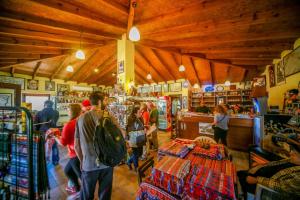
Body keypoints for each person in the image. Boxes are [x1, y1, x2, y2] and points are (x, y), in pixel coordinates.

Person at [75, 92, 117, 200]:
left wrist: (81, 161)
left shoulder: (80, 119)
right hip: (107, 162)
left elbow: (76, 146)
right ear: (99, 102)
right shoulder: (109, 117)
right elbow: (120, 136)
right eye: (105, 100)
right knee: (105, 195)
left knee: (86, 195)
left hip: (88, 164)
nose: (106, 103)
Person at [53, 104, 82, 197]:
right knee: (69, 171)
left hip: (75, 153)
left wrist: (55, 137)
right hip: (83, 152)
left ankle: (83, 193)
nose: (68, 112)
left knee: (81, 175)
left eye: (68, 110)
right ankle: (78, 189)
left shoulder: (69, 124)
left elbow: (63, 143)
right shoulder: (82, 121)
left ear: (71, 112)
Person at [35, 100, 60, 165]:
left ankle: (42, 160)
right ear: (52, 105)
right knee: (54, 146)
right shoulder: (56, 112)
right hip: (53, 130)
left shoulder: (39, 113)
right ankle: (55, 161)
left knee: (42, 146)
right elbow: (55, 120)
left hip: (43, 131)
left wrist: (36, 131)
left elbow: (36, 124)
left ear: (45, 105)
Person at [126, 106, 145, 171]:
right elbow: (132, 132)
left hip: (140, 139)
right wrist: (143, 131)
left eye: (140, 112)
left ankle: (128, 162)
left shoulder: (139, 118)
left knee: (140, 153)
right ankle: (136, 168)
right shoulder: (131, 120)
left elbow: (139, 127)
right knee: (136, 154)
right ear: (135, 113)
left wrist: (145, 127)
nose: (141, 113)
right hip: (134, 140)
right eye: (139, 112)